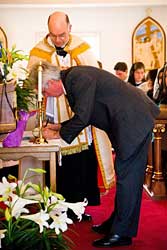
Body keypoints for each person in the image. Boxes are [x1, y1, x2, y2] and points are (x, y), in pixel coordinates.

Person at [29, 62, 160, 248]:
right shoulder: (72, 79)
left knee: (128, 177)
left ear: (50, 82)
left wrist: (57, 134)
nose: (46, 96)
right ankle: (117, 223)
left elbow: (83, 116)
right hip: (129, 120)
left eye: (44, 91)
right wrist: (59, 127)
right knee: (125, 175)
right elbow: (87, 113)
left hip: (134, 121)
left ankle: (122, 233)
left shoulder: (76, 78)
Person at [27, 11, 114, 219]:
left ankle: (78, 209)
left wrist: (71, 74)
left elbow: (94, 81)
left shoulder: (82, 48)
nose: (58, 40)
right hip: (52, 115)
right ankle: (55, 210)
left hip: (79, 122)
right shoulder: (38, 51)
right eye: (53, 35)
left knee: (80, 165)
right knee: (56, 165)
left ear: (70, 28)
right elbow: (32, 86)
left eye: (62, 35)